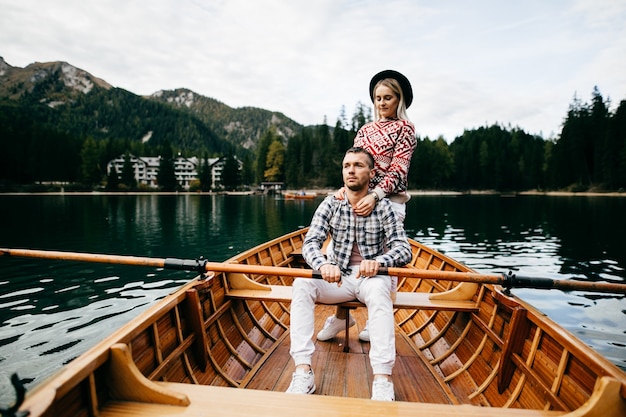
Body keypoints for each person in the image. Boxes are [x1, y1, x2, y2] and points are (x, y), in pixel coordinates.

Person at [286, 147, 412, 401]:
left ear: (371, 172)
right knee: (301, 284)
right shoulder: (330, 204)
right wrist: (322, 265)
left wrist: (378, 261)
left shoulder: (384, 208)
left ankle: (383, 378)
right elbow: (310, 243)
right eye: (346, 166)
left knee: (379, 291)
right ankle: (302, 371)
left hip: (370, 278)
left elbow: (404, 250)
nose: (351, 170)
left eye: (358, 165)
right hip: (337, 278)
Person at [317, 69, 417, 343]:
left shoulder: (405, 129)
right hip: (359, 200)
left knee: (385, 259)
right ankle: (340, 318)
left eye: (388, 98)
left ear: (399, 100)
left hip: (390, 202)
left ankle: (376, 321)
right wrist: (348, 190)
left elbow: (399, 170)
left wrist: (376, 195)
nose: (382, 103)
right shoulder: (365, 130)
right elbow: (356, 162)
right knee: (342, 255)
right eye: (378, 98)